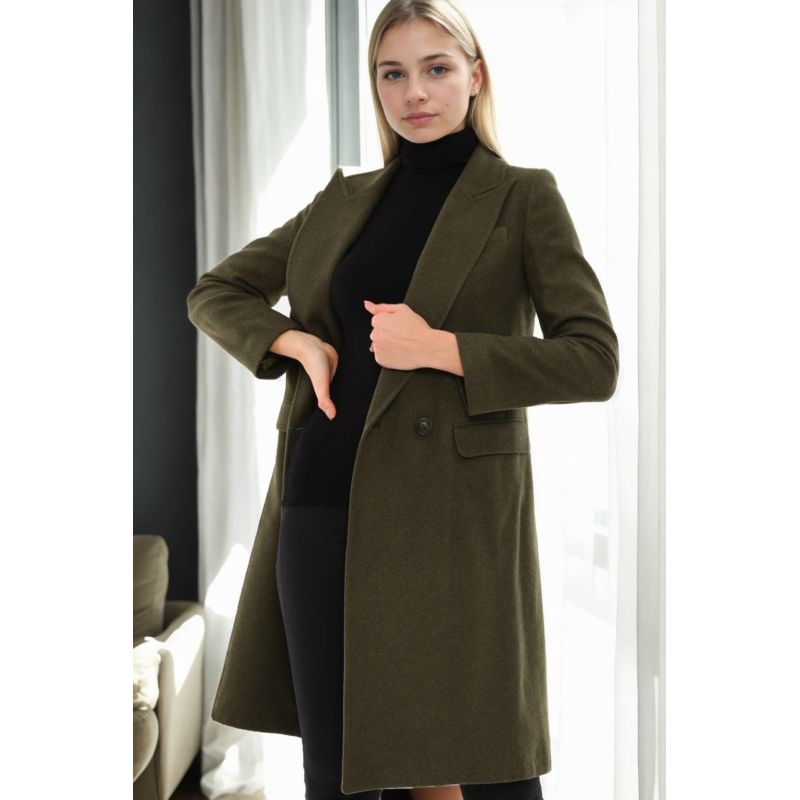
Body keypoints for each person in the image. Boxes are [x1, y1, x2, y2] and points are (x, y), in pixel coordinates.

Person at [188, 1, 619, 798]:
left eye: (436, 68)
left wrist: (442, 349)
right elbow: (215, 292)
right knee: (342, 771)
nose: (414, 92)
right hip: (322, 500)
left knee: (480, 768)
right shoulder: (340, 202)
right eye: (393, 73)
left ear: (475, 76)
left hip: (448, 517)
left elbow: (593, 361)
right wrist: (295, 343)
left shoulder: (523, 197)